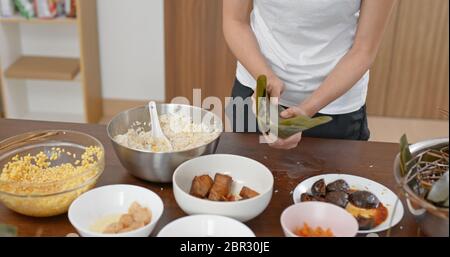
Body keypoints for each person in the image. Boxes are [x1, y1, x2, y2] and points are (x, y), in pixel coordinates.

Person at [223, 0, 396, 149]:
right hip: (255, 89)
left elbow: (364, 50)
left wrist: (307, 109)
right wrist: (264, 77)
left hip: (335, 108)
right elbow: (234, 21)